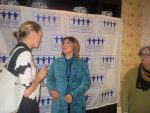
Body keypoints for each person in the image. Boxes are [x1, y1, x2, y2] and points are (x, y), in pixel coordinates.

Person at [7, 21, 48, 113]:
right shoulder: (25, 54)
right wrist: (39, 77)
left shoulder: (18, 49)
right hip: (25, 106)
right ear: (33, 33)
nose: (41, 40)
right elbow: (26, 91)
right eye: (40, 36)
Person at [47, 36, 91, 113]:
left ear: (74, 46)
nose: (64, 45)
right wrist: (52, 90)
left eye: (68, 43)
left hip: (77, 102)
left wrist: (73, 95)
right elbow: (50, 79)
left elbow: (86, 83)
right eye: (63, 43)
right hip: (59, 102)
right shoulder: (56, 62)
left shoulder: (82, 64)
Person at [121, 46, 150, 113]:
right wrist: (124, 111)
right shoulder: (131, 73)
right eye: (141, 54)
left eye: (146, 54)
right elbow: (124, 94)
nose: (143, 57)